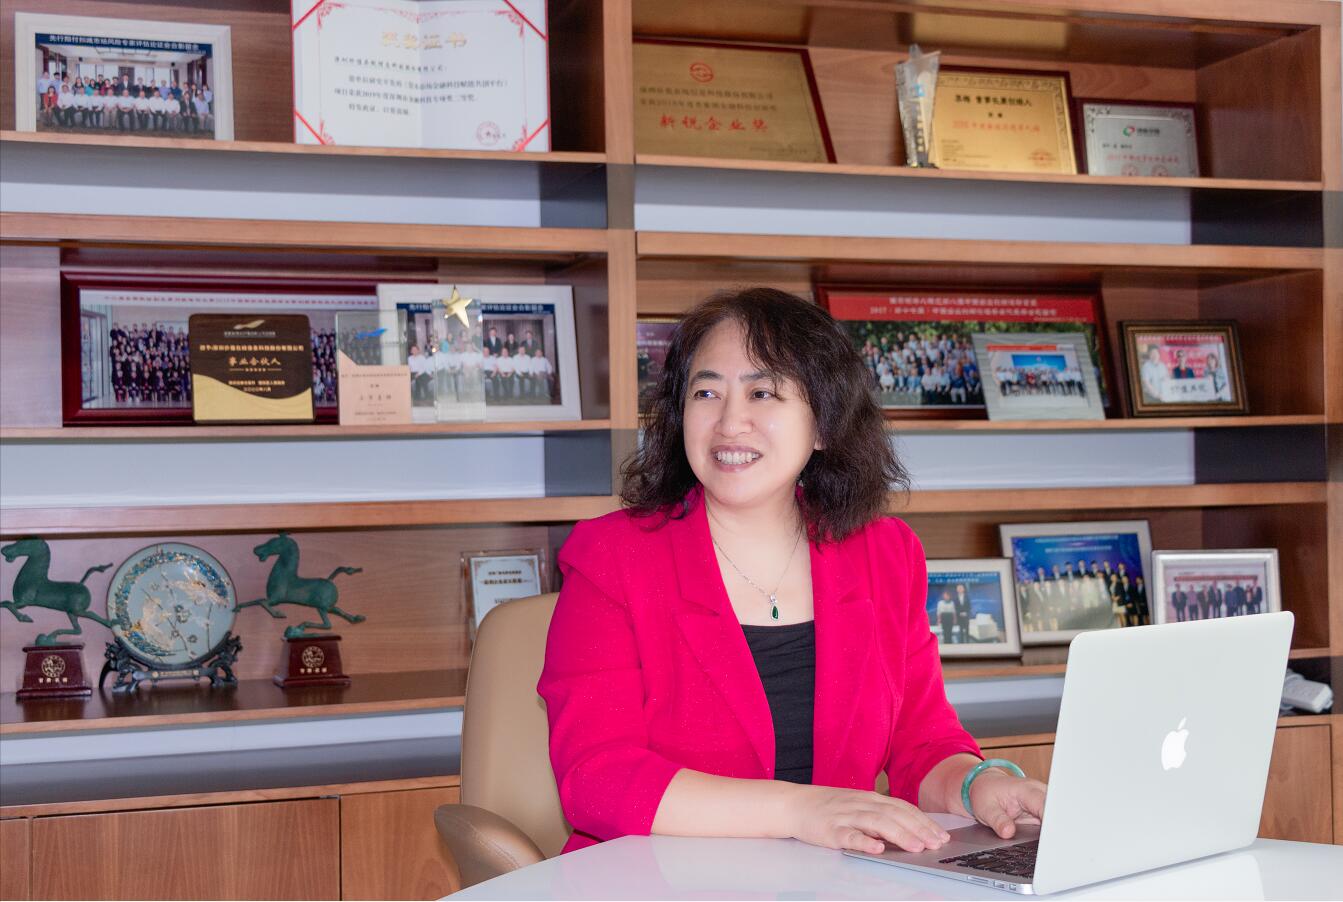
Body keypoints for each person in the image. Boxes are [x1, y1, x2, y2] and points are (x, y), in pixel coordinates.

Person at [537, 288, 1046, 856]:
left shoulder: (885, 553)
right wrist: (801, 810)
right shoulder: (612, 557)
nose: (730, 422)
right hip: (656, 881)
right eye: (706, 392)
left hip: (833, 879)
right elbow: (597, 778)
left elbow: (922, 743)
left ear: (823, 424)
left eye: (763, 393)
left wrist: (977, 784)